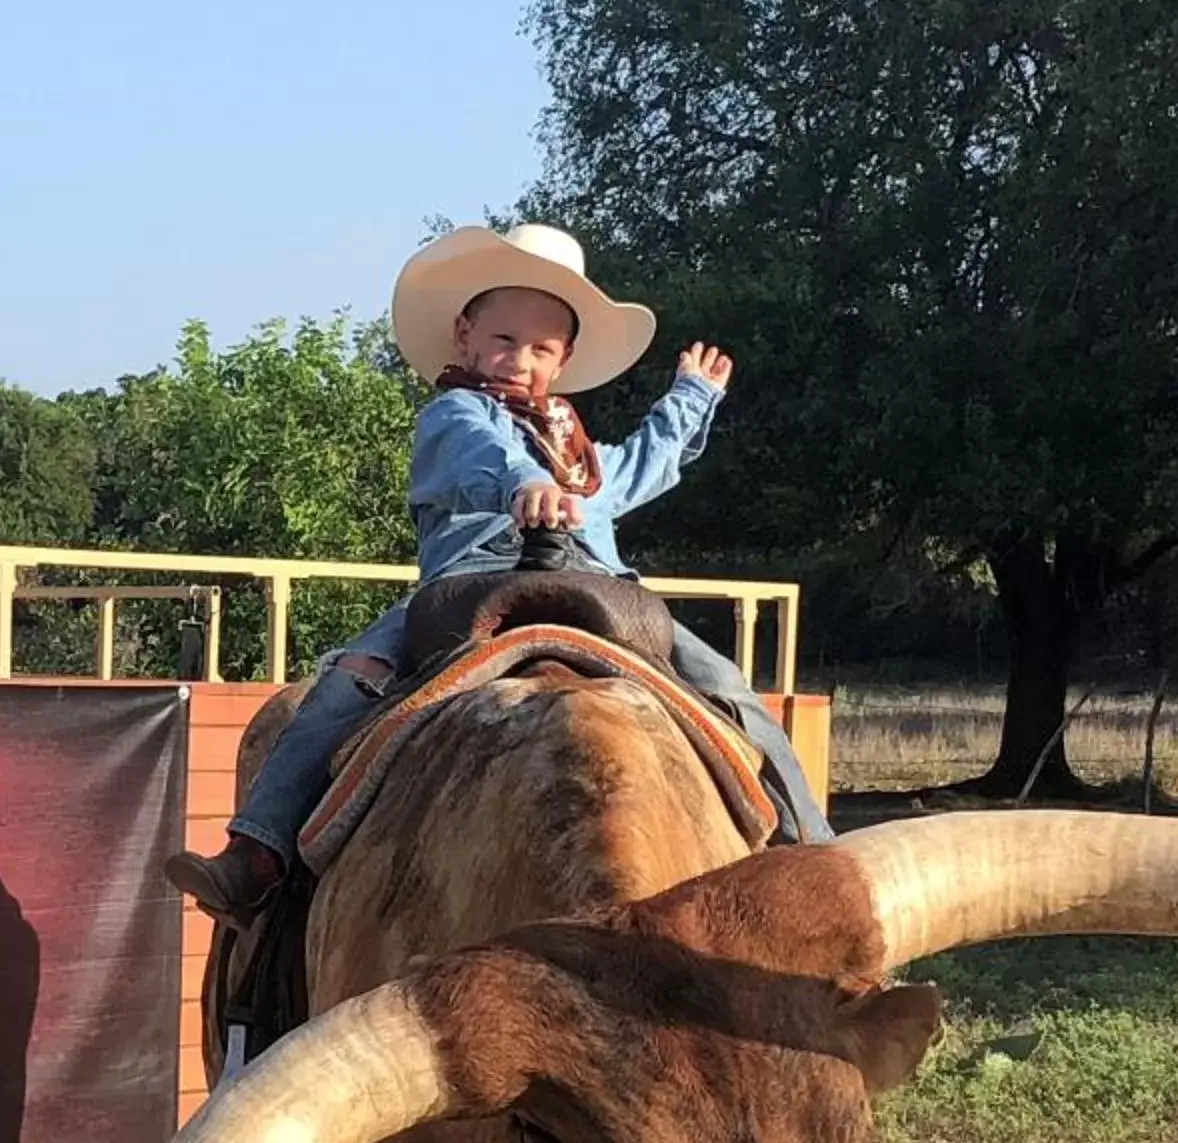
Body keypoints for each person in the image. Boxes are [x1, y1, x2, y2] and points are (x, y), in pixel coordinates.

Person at [165, 221, 831, 923]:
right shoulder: (453, 411)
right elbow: (478, 451)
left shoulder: (578, 452)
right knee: (350, 681)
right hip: (476, 577)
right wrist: (524, 483)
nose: (519, 359)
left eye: (541, 348)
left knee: (727, 685)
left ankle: (814, 855)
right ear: (465, 337)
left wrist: (689, 400)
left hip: (597, 583)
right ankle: (258, 852)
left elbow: (635, 472)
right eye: (504, 340)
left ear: (564, 359)